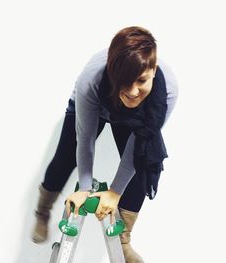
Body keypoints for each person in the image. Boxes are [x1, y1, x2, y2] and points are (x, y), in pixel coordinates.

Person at [32, 26, 178, 262]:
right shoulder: (90, 81)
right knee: (66, 156)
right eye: (125, 82)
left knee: (145, 160)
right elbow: (86, 137)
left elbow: (141, 141)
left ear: (153, 70)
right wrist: (85, 189)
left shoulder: (168, 92)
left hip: (136, 116)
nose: (132, 91)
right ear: (112, 73)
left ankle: (124, 240)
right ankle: (42, 211)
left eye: (141, 80)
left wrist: (114, 192)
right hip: (98, 104)